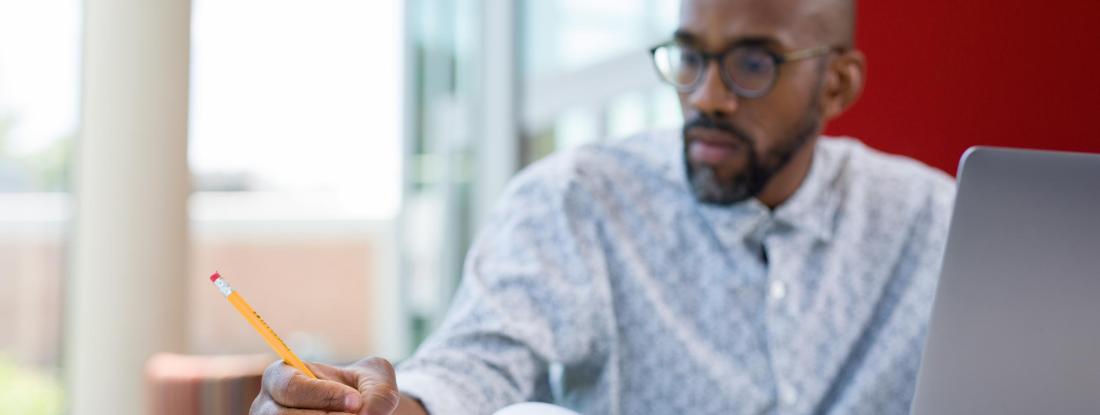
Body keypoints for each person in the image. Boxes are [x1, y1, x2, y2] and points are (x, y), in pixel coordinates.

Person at [250, 0, 956, 413]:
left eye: (752, 62)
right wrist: (391, 406)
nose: (705, 96)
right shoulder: (576, 201)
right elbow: (473, 366)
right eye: (689, 58)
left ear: (837, 85)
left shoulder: (936, 224)